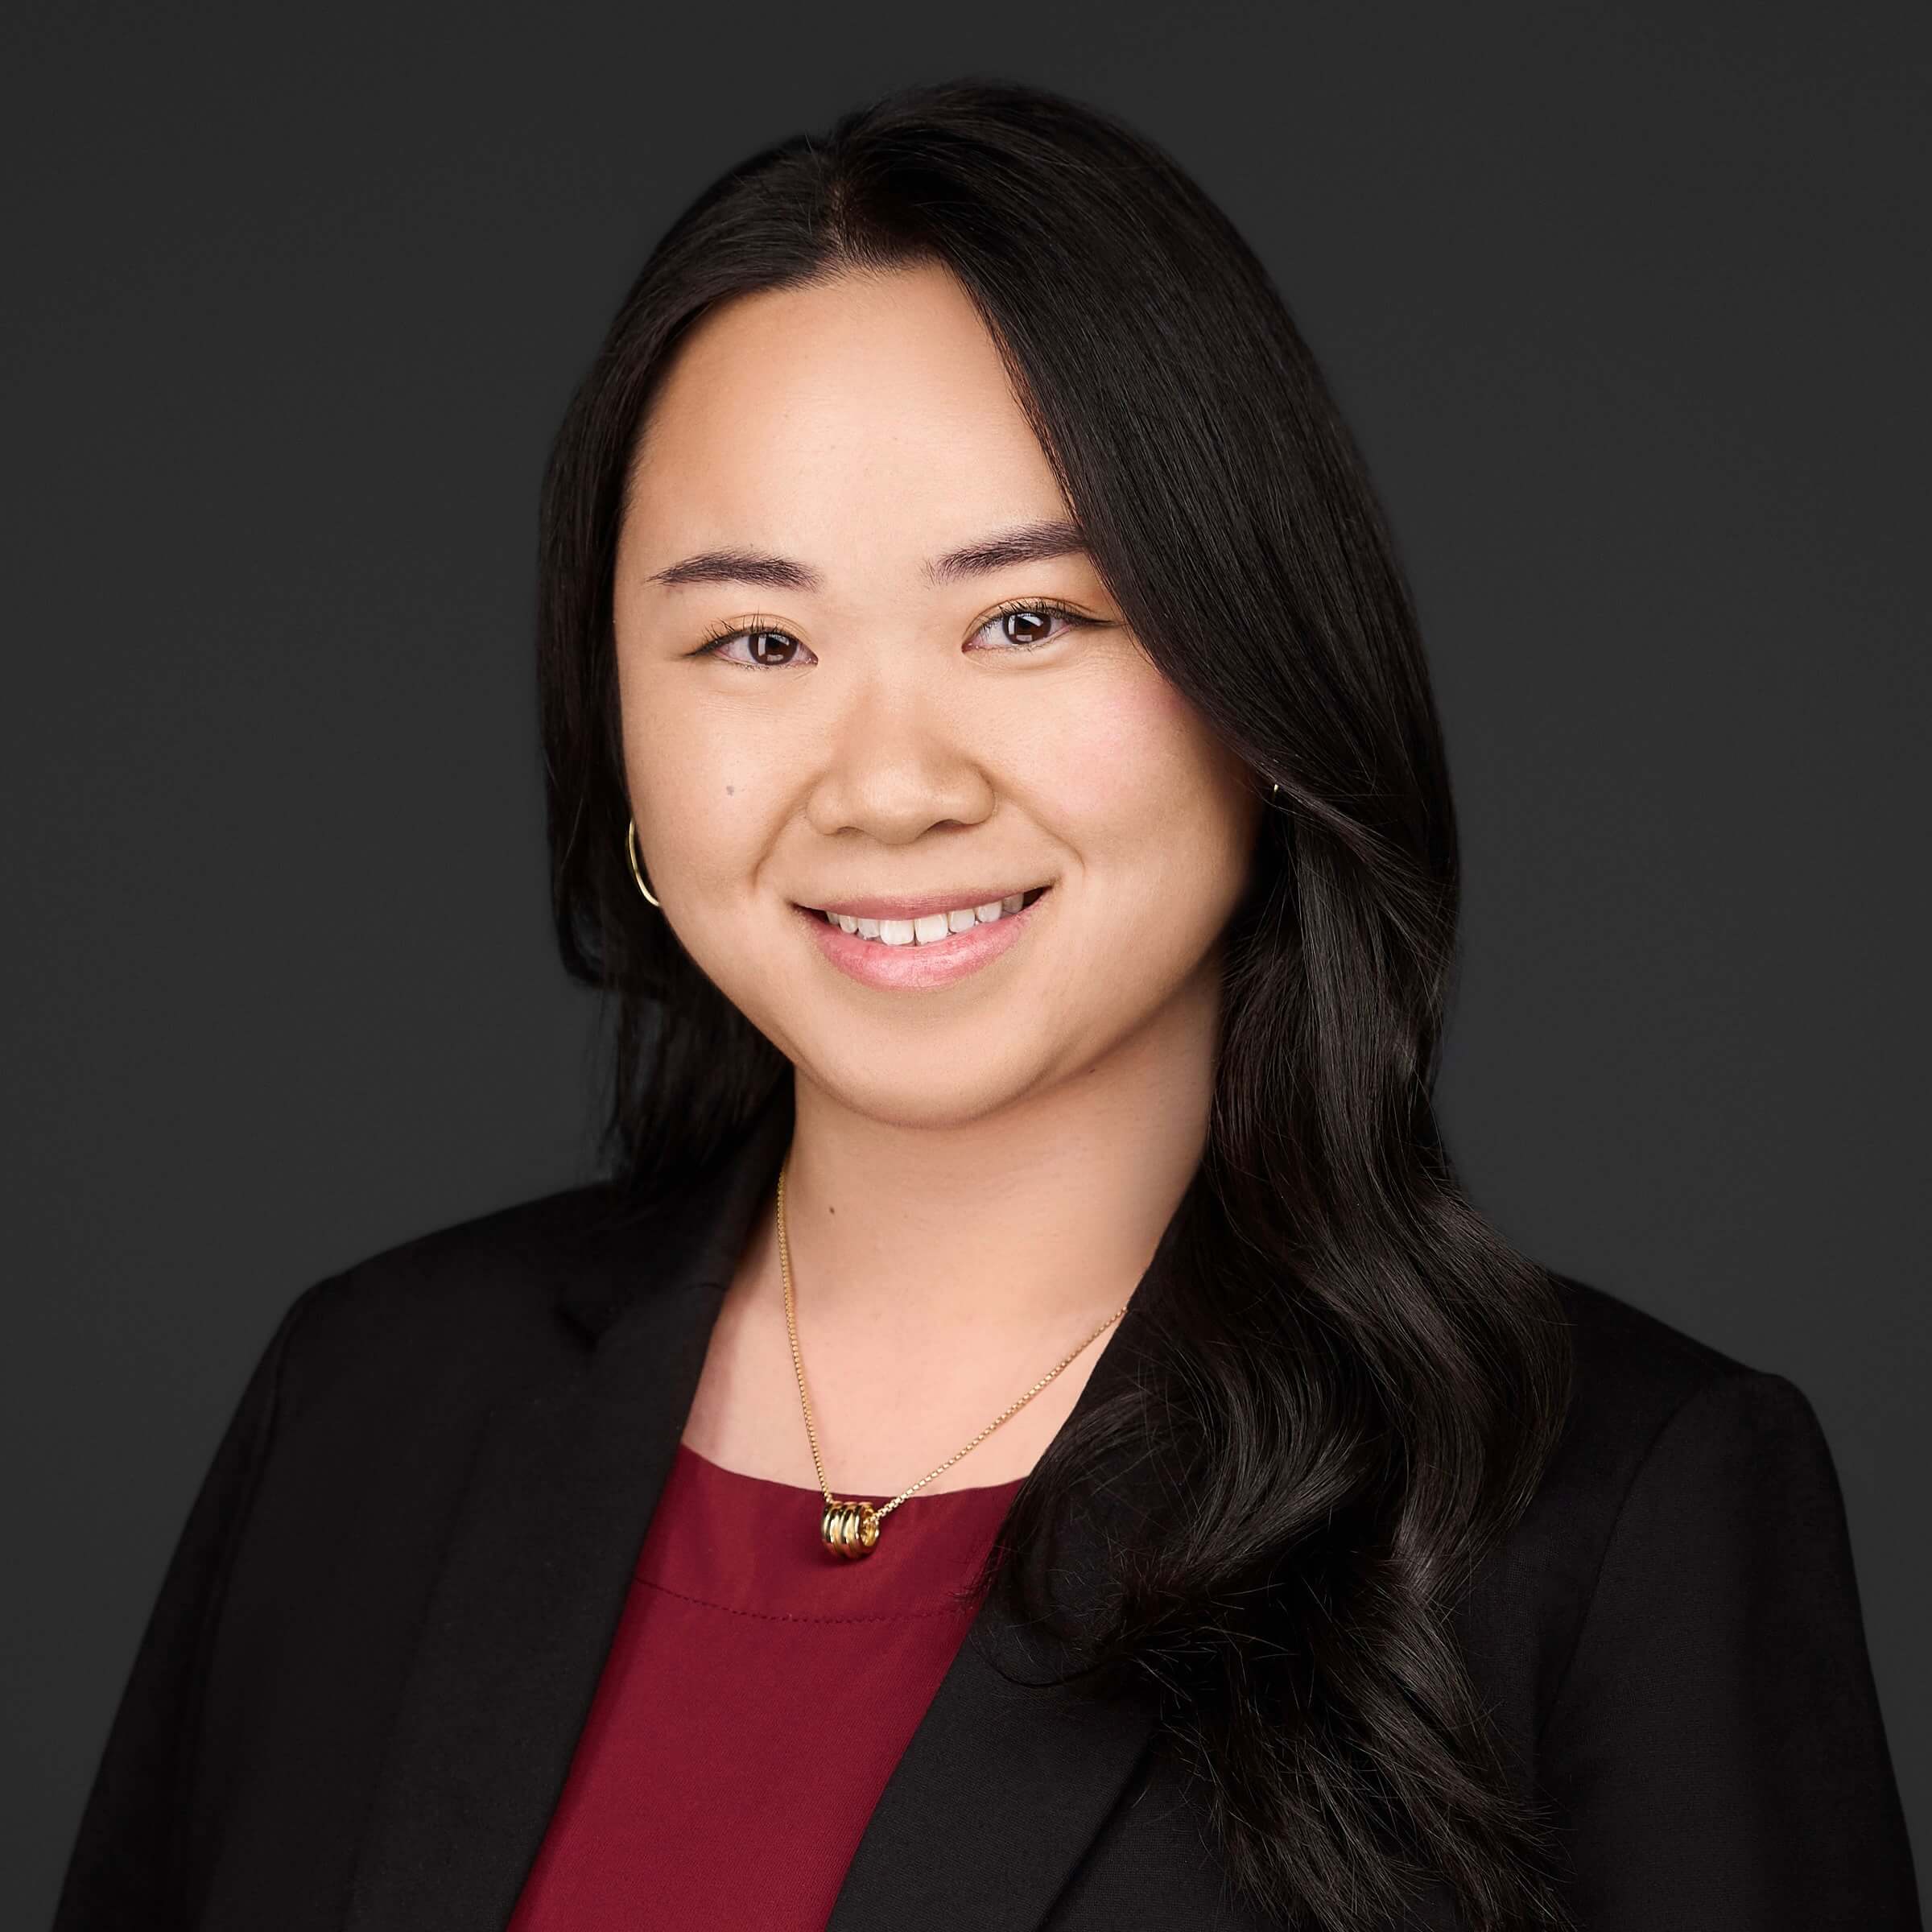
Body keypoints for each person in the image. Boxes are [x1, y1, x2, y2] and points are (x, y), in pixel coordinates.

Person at [52, 75, 1919, 1932]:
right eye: (754, 642)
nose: (887, 783)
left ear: (1260, 678)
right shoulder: (373, 1406)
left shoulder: (1613, 1516)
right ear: (613, 723)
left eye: (1028, 621)